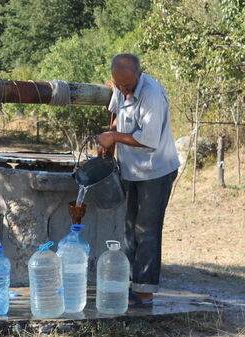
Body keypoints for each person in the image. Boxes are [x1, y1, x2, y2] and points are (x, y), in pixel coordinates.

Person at [96, 54, 180, 306]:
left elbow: (147, 139)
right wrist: (109, 138)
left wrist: (114, 138)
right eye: (118, 85)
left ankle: (145, 292)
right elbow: (115, 114)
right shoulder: (121, 86)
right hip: (132, 169)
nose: (123, 90)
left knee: (147, 230)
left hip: (156, 170)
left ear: (139, 74)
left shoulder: (151, 94)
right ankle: (132, 283)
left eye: (127, 87)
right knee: (130, 229)